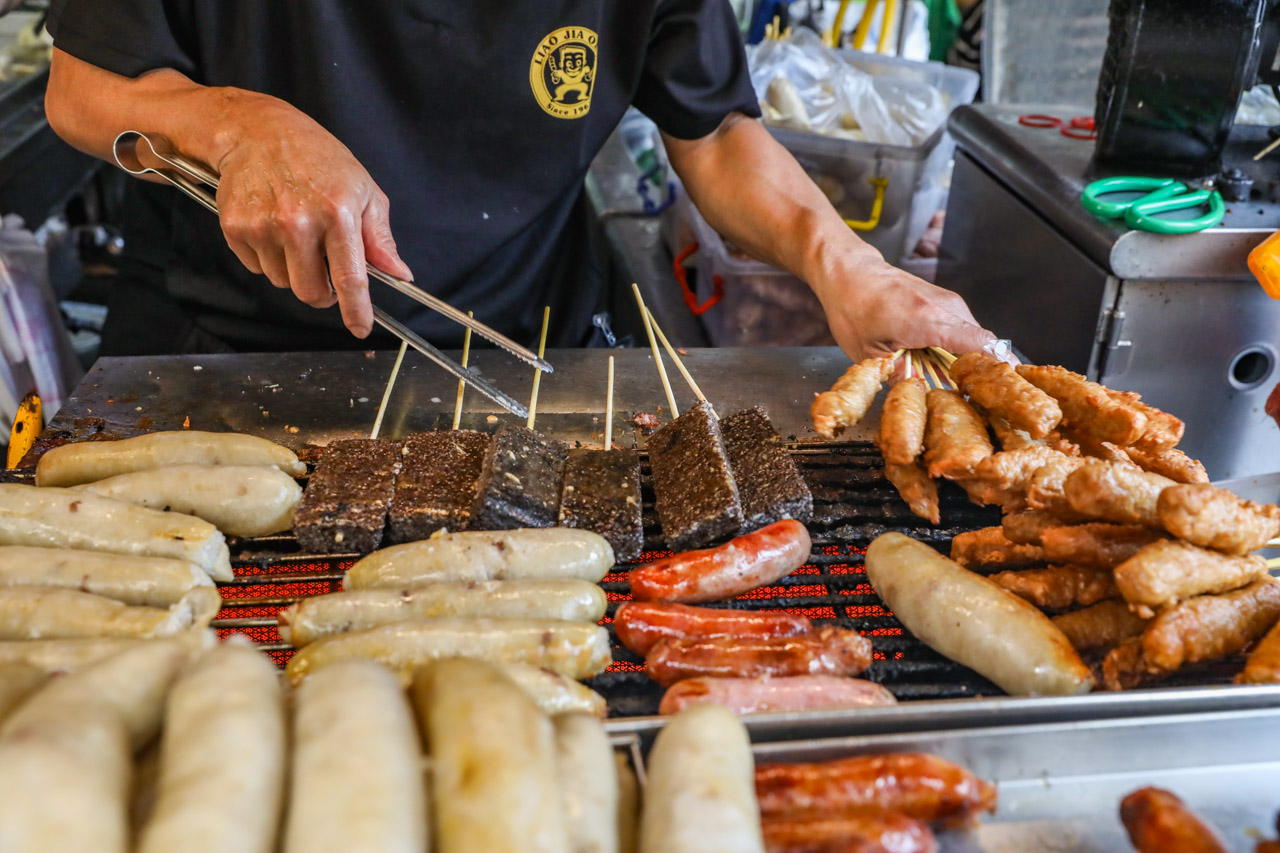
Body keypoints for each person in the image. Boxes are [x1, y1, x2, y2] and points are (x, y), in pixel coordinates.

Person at [44, 1, 997, 361]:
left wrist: (847, 265)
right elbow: (80, 88)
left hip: (520, 342)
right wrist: (237, 125)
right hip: (224, 340)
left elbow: (711, 133)